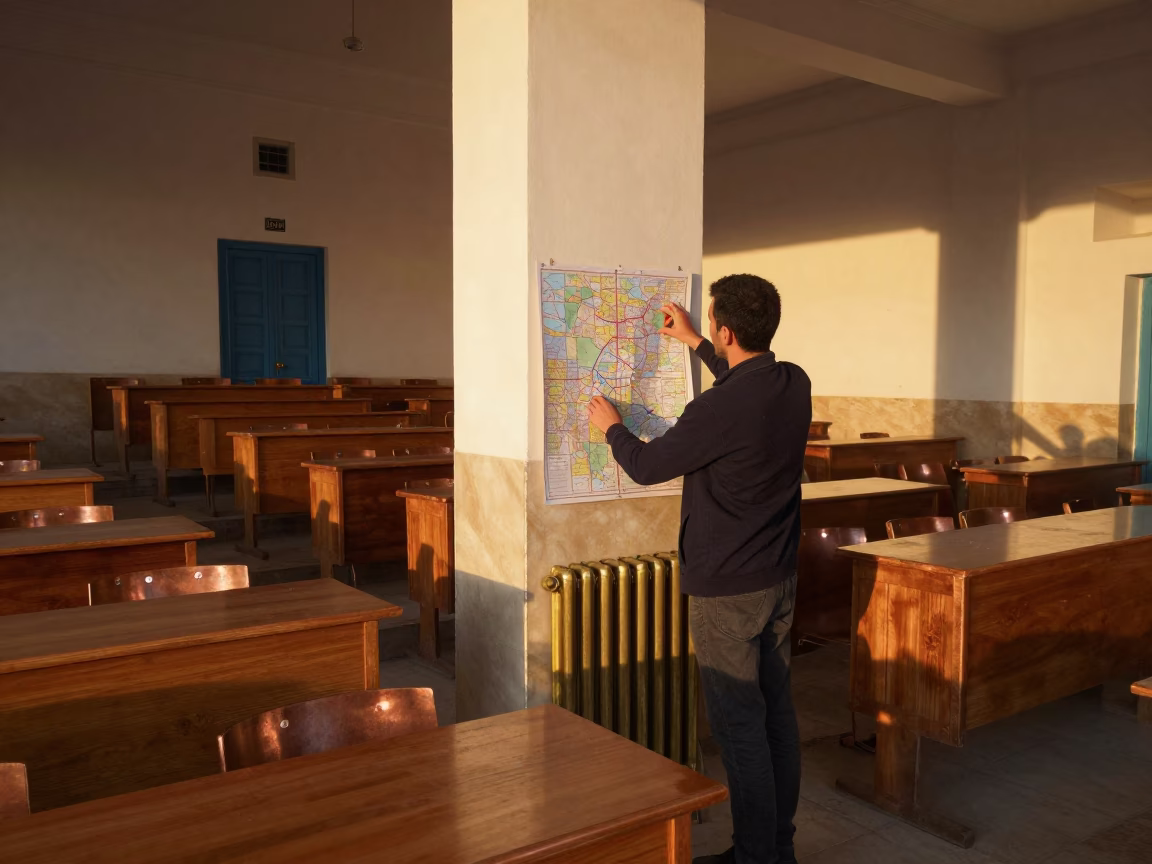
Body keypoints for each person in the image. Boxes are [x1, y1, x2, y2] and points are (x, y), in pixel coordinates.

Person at [587, 273, 811, 864]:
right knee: (776, 718)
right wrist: (696, 343)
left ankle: (755, 855)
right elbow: (745, 385)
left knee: (741, 728)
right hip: (779, 578)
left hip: (727, 592)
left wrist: (611, 427)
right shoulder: (793, 382)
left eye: (711, 323)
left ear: (727, 327)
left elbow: (645, 465)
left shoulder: (714, 410)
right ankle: (779, 847)